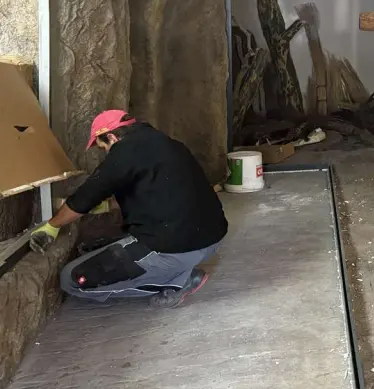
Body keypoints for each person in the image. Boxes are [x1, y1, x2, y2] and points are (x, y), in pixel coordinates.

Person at [29, 110, 228, 309]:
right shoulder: (164, 143)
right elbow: (157, 191)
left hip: (176, 248)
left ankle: (178, 281)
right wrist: (107, 206)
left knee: (71, 279)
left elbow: (84, 197)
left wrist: (52, 226)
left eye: (103, 147)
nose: (106, 153)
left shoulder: (124, 152)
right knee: (97, 249)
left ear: (112, 137)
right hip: (211, 238)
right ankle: (178, 270)